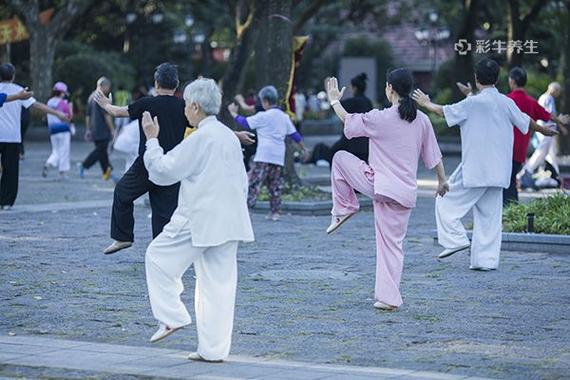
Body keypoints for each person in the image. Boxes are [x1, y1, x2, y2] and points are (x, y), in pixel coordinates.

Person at [142, 78, 254, 362]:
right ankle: (213, 350)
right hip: (230, 218)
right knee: (218, 286)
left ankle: (172, 316)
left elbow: (164, 171)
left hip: (200, 217)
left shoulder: (202, 137)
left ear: (194, 106)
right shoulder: (228, 136)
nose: (184, 111)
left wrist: (152, 140)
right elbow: (242, 181)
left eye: (185, 106)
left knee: (157, 257)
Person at [412, 58, 558, 270]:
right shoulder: (506, 103)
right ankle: (486, 261)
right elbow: (527, 121)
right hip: (500, 171)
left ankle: (456, 239)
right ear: (498, 79)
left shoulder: (472, 103)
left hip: (475, 169)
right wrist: (545, 130)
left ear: (476, 78)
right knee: (489, 217)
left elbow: (443, 111)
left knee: (445, 202)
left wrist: (425, 103)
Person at [95, 63, 254, 254]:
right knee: (164, 213)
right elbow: (207, 126)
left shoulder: (147, 103)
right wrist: (237, 135)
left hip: (146, 164)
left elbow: (116, 112)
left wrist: (104, 103)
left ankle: (123, 237)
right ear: (177, 84)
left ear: (156, 82)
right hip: (173, 164)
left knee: (122, 193)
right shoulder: (183, 106)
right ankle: (162, 251)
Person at [324, 70, 448, 311]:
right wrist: (441, 182)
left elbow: (348, 121)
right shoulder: (421, 119)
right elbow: (434, 156)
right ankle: (389, 299)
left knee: (339, 158)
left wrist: (334, 100)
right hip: (405, 194)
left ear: (390, 88)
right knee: (393, 246)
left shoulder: (381, 117)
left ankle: (345, 207)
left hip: (379, 186)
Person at [228, 85, 307, 221]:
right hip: (278, 157)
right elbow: (295, 135)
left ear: (265, 101)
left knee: (253, 183)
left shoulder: (263, 116)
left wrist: (234, 114)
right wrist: (304, 149)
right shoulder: (284, 117)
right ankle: (274, 212)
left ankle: (246, 210)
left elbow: (245, 123)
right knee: (275, 186)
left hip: (263, 155)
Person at [0, 63, 68, 210]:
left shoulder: (16, 92)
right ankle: (6, 202)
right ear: (13, 76)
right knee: (10, 170)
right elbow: (37, 106)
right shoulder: (19, 91)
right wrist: (58, 114)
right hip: (12, 136)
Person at [312, 73, 374, 165]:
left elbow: (336, 105)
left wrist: (330, 92)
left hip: (351, 142)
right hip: (366, 144)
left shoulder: (352, 102)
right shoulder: (368, 102)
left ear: (354, 88)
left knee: (331, 155)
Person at [521, 82, 569, 188]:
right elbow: (549, 115)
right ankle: (526, 172)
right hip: (547, 130)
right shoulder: (548, 98)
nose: (558, 94)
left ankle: (556, 176)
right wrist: (561, 123)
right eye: (558, 91)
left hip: (546, 130)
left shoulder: (543, 98)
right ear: (554, 90)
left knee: (551, 155)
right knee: (542, 153)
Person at [80, 77, 115, 181]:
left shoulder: (91, 97)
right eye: (108, 87)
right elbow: (107, 115)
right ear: (103, 86)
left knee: (102, 152)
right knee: (100, 151)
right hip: (103, 130)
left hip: (94, 129)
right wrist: (112, 129)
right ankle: (84, 165)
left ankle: (107, 172)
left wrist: (88, 129)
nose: (109, 89)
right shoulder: (101, 97)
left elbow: (87, 116)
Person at [43, 82, 73, 180]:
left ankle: (49, 163)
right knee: (64, 151)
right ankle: (62, 173)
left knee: (56, 150)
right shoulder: (63, 103)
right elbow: (68, 117)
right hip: (63, 129)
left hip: (52, 129)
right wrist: (70, 107)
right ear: (62, 93)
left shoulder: (49, 102)